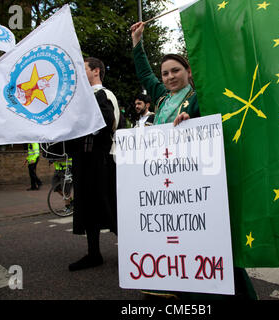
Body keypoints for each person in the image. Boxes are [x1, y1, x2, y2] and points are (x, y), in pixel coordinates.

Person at [131, 21, 257, 300]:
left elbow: (215, 129)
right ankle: (171, 285)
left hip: (195, 184)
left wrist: (193, 122)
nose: (169, 77)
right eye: (164, 73)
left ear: (188, 72)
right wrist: (137, 42)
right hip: (165, 182)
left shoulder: (201, 99)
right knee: (171, 237)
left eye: (175, 70)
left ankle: (226, 291)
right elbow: (143, 72)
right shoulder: (162, 99)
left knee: (207, 239)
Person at [67, 57, 119, 271]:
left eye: (84, 68)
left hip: (102, 160)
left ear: (96, 71)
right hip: (85, 160)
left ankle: (135, 250)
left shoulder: (104, 95)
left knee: (111, 206)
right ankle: (93, 253)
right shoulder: (85, 98)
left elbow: (105, 124)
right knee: (88, 207)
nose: (81, 72)